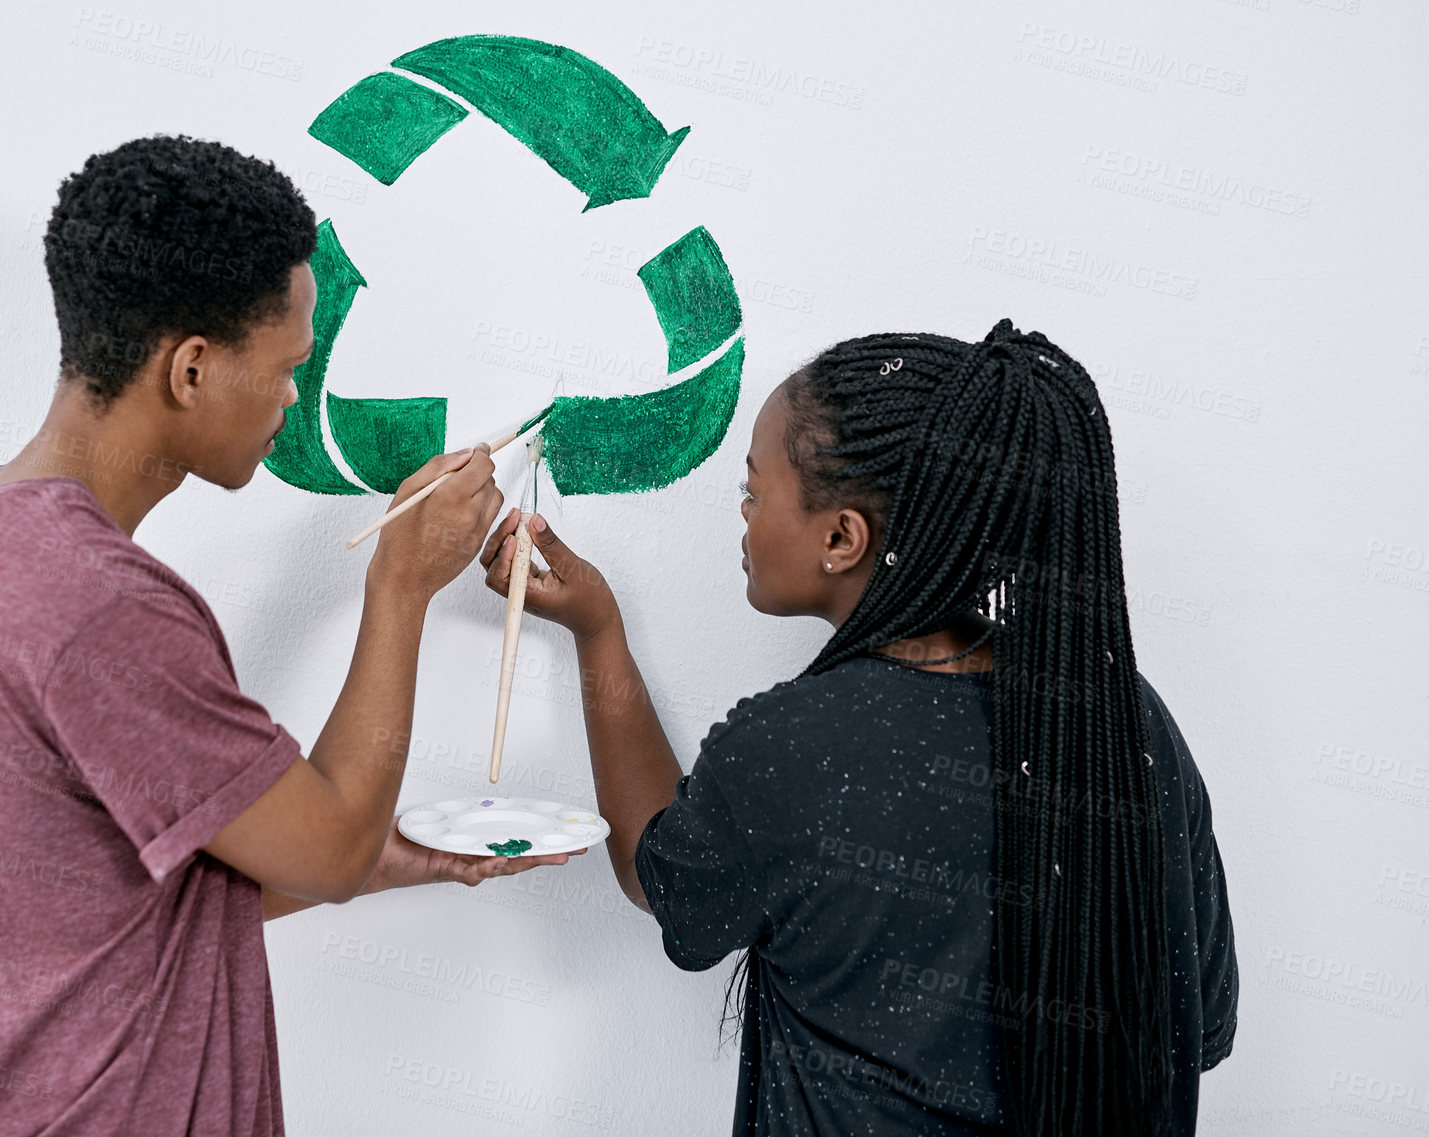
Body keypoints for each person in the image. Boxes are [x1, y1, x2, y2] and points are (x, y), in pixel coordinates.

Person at [0, 134, 576, 1136]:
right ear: (192, 369)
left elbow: (104, 900)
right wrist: (400, 586)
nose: (294, 397)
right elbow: (325, 853)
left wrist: (402, 849)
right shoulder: (99, 603)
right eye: (287, 365)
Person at [480, 321, 1238, 1136]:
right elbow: (1200, 1026)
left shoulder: (793, 749)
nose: (742, 515)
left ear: (841, 537)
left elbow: (663, 881)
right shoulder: (1127, 722)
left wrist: (598, 634)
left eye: (753, 491)